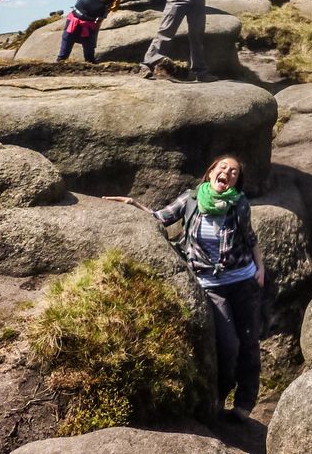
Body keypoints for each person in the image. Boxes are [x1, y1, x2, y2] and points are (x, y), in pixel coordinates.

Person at [104, 154, 264, 422]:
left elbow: (250, 238)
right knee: (228, 346)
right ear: (211, 171)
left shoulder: (239, 204)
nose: (227, 172)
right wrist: (132, 204)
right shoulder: (190, 199)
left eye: (234, 171)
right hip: (210, 284)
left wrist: (261, 268)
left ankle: (244, 404)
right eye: (223, 167)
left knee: (248, 343)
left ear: (237, 181)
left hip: (242, 280)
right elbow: (159, 219)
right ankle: (220, 397)